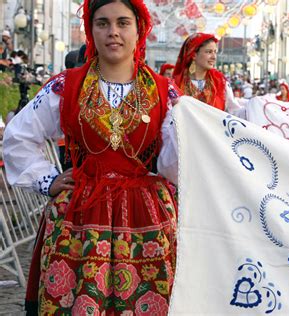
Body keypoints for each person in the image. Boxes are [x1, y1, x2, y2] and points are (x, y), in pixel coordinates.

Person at [3, 0, 181, 313]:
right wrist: (48, 180)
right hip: (80, 215)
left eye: (123, 23)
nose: (113, 32)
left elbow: (174, 161)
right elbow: (18, 137)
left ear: (139, 30)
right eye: (103, 23)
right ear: (91, 30)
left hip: (145, 215)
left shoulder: (163, 91)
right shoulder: (66, 86)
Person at [172, 32, 243, 117]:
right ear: (194, 55)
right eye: (209, 52)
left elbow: (234, 111)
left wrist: (254, 107)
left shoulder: (220, 82)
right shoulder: (175, 84)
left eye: (215, 52)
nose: (214, 57)